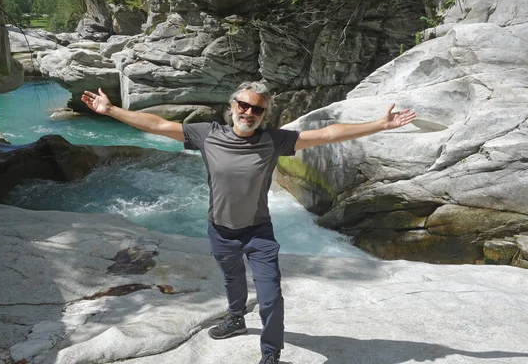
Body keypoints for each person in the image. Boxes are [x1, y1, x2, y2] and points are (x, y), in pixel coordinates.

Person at [81, 82, 416, 364]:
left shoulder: (274, 140)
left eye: (257, 110)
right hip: (220, 230)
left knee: (270, 297)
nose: (249, 113)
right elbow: (156, 124)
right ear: (233, 106)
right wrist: (110, 110)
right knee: (232, 280)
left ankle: (270, 353)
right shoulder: (206, 134)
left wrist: (380, 125)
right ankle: (236, 318)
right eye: (244, 105)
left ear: (264, 115)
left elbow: (327, 133)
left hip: (259, 233)